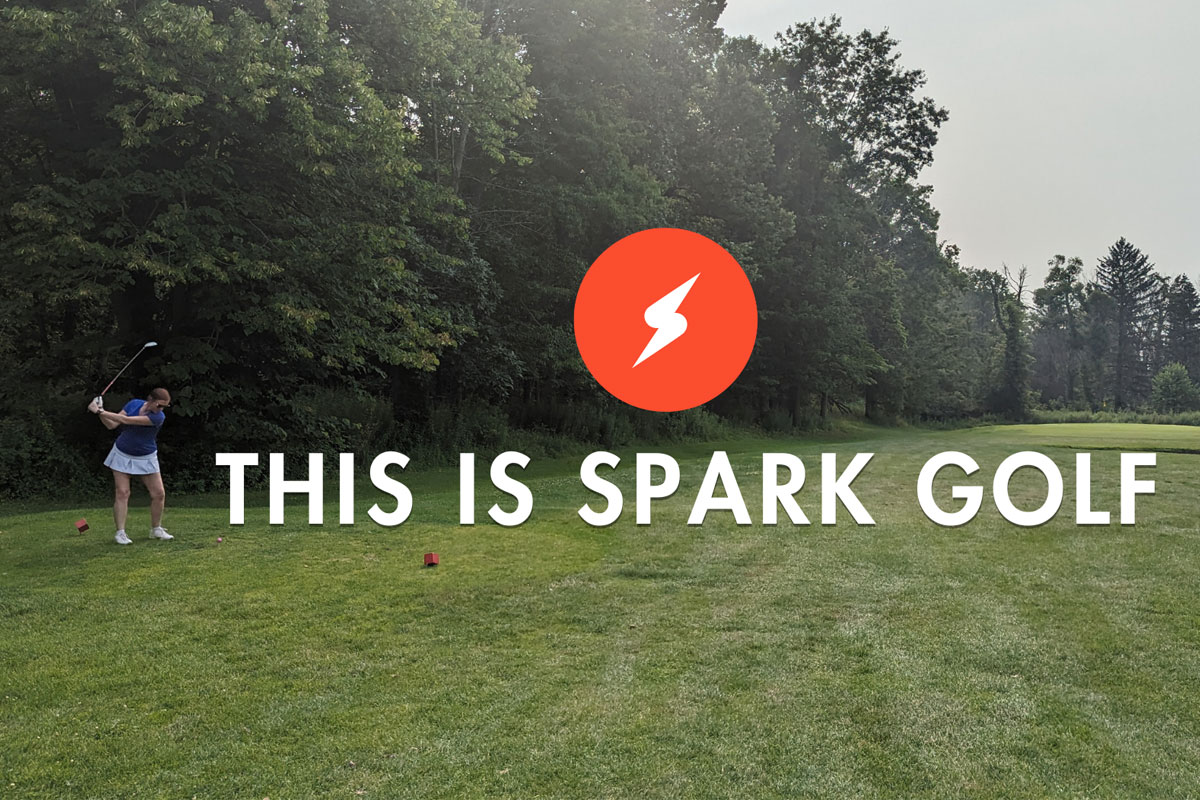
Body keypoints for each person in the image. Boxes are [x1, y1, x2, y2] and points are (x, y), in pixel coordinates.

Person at [87, 388, 174, 545]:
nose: (161, 409)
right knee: (122, 492)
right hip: (122, 453)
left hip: (146, 455)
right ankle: (120, 533)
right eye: (160, 405)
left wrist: (99, 411)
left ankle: (156, 529)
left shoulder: (158, 417)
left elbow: (126, 421)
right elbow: (112, 424)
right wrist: (100, 412)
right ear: (151, 400)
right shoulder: (134, 404)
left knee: (159, 494)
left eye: (164, 407)